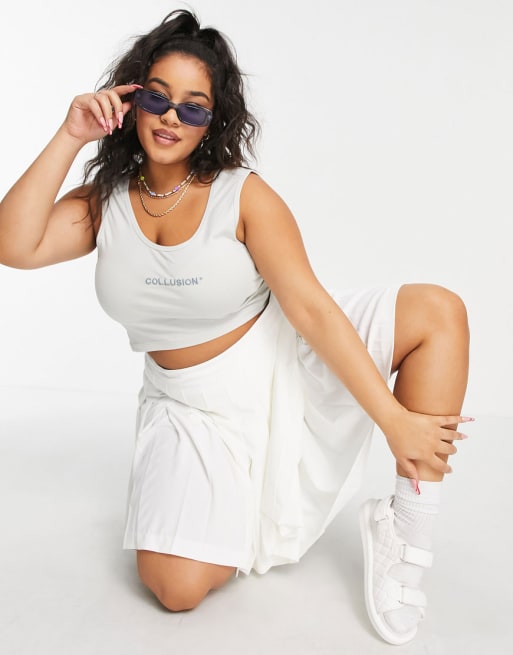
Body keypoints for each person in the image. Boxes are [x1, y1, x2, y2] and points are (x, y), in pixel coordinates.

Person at [0, 9, 471, 646]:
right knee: (175, 588)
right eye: (157, 98)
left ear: (213, 120)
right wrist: (70, 134)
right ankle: (230, 501)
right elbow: (14, 245)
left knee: (438, 312)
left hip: (285, 356)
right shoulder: (103, 202)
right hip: (190, 406)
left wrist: (393, 419)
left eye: (193, 107)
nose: (171, 117)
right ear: (130, 101)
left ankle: (406, 528)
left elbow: (311, 309)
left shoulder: (242, 195)